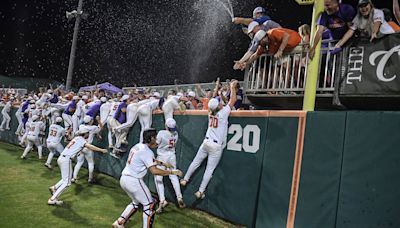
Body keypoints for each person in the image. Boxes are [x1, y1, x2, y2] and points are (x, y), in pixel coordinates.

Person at [111, 128, 183, 228]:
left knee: (136, 202)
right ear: (151, 138)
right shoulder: (147, 152)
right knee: (149, 205)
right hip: (134, 180)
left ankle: (119, 222)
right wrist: (171, 172)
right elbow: (154, 171)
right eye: (155, 137)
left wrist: (162, 163)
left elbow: (148, 160)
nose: (157, 139)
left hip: (124, 179)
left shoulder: (138, 146)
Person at [180, 80, 238, 200]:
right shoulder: (223, 113)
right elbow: (233, 100)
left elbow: (215, 103)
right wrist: (232, 88)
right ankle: (200, 191)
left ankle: (185, 179)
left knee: (195, 162)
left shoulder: (210, 112)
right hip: (215, 146)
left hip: (206, 142)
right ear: (218, 106)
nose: (220, 103)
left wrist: (217, 91)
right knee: (209, 169)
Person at [47, 125, 108, 205]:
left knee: (65, 178)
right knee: (67, 183)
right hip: (66, 160)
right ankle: (52, 199)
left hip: (61, 158)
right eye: (87, 133)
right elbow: (90, 146)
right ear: (85, 134)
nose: (88, 134)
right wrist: (101, 150)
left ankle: (54, 188)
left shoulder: (76, 138)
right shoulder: (82, 140)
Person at [154, 118, 185, 213]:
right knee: (173, 176)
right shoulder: (176, 134)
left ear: (166, 125)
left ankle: (162, 200)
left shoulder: (162, 133)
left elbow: (156, 144)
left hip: (162, 157)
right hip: (172, 156)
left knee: (158, 178)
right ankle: (179, 197)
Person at [72, 116, 101, 183]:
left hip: (80, 147)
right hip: (88, 147)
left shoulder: (81, 126)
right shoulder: (93, 127)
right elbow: (100, 128)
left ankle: (74, 177)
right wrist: (99, 120)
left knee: (79, 162)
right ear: (90, 121)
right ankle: (90, 178)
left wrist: (97, 135)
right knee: (90, 163)